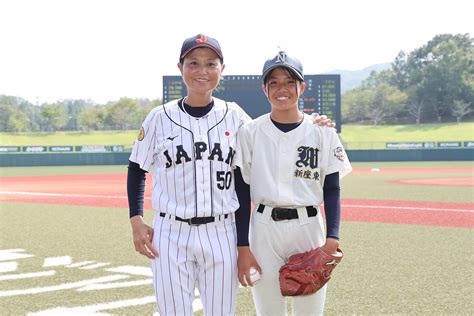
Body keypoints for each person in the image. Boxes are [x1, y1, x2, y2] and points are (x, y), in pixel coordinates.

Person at [127, 34, 335, 315]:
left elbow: (275, 132)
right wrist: (136, 219)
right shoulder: (158, 117)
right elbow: (137, 168)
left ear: (221, 69)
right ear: (180, 67)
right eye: (194, 63)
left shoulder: (236, 117)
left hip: (221, 230)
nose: (202, 71)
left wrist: (314, 122)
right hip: (170, 230)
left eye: (211, 64)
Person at [234, 51, 352, 316]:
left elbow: (332, 189)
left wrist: (332, 238)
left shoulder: (322, 130)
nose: (281, 89)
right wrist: (242, 244)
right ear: (264, 89)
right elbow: (241, 191)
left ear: (302, 86)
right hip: (263, 229)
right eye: (273, 82)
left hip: (308, 228)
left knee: (310, 311)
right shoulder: (250, 132)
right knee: (268, 311)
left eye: (289, 81)